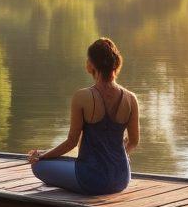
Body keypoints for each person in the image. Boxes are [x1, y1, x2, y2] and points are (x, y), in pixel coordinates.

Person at [27, 38, 139, 195]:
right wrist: (120, 154)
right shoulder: (130, 98)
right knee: (61, 160)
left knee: (38, 166)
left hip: (91, 180)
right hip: (121, 179)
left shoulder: (82, 97)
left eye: (88, 59)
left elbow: (71, 142)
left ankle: (69, 179)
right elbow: (133, 142)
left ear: (92, 64)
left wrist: (43, 156)